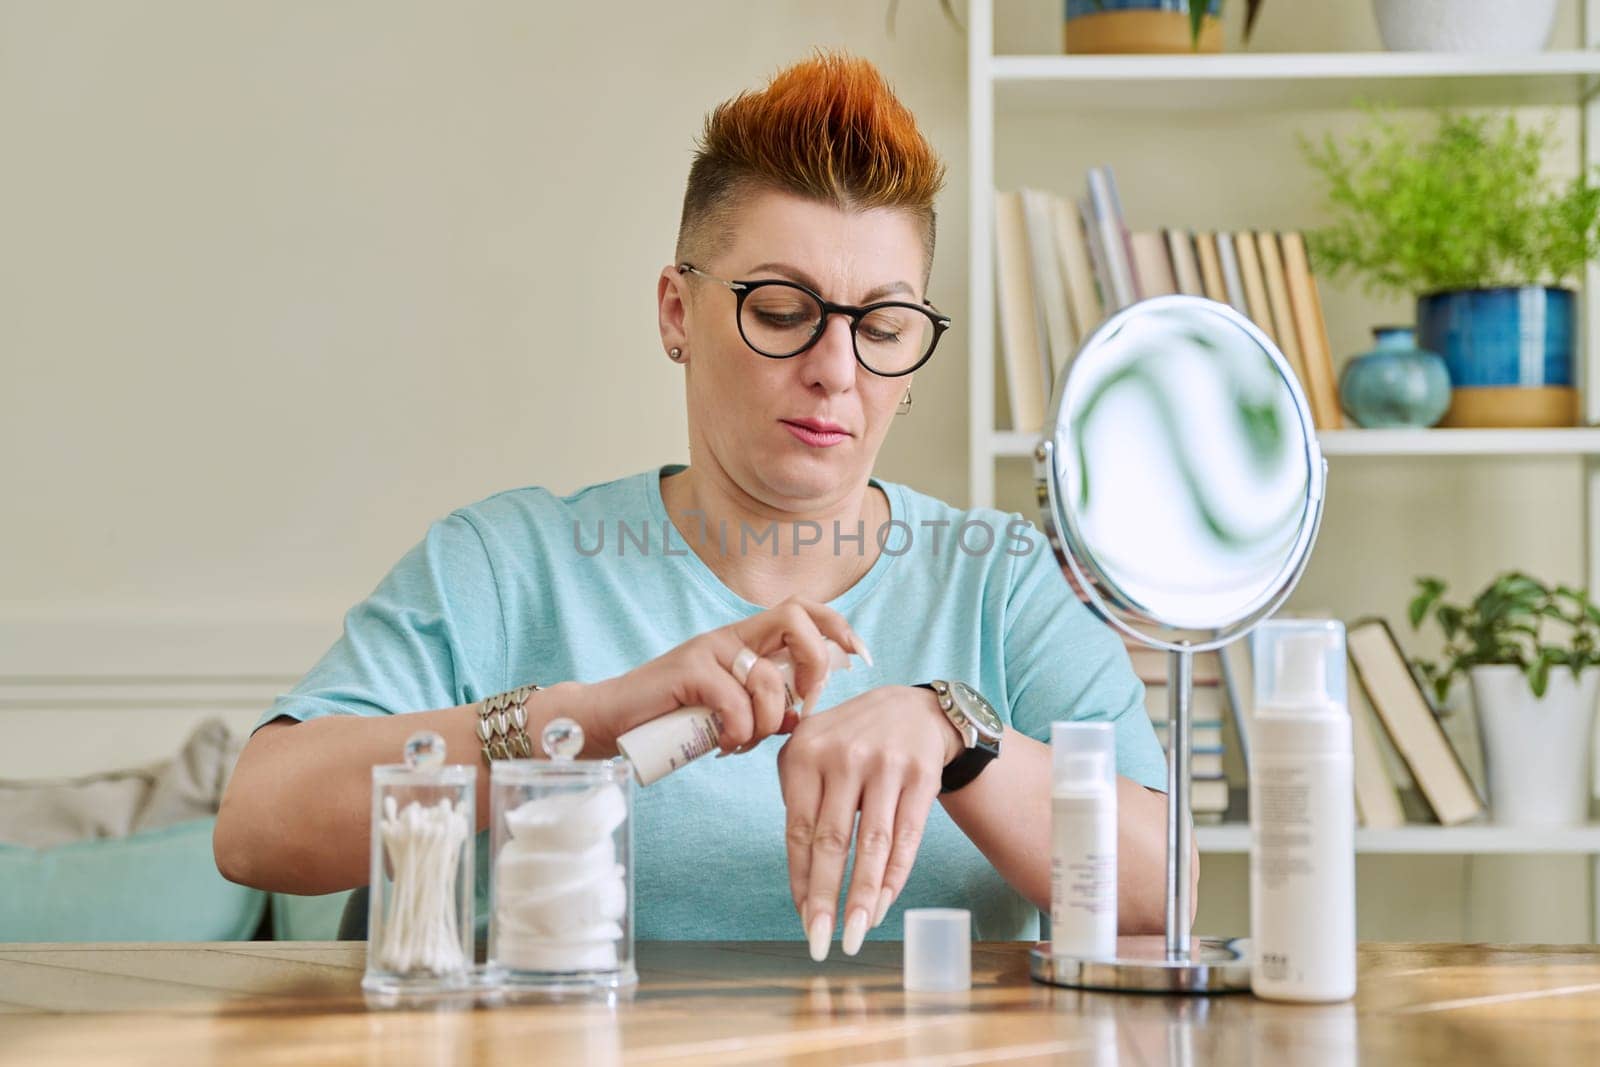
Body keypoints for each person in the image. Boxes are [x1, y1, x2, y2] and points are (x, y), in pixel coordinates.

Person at [213, 50, 1187, 959]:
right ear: (678, 311)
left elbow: (1165, 890)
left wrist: (959, 733)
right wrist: (581, 722)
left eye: (883, 326)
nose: (834, 370)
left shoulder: (999, 577)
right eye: (780, 312)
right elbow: (258, 827)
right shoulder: (512, 564)